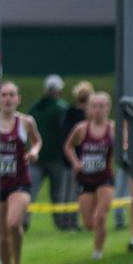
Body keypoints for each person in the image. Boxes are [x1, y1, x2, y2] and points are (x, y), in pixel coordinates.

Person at [0, 81, 42, 264]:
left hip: (19, 182)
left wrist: (34, 152)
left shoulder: (25, 122)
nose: (7, 99)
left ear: (18, 99)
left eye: (12, 95)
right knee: (2, 234)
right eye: (4, 95)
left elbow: (37, 141)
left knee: (13, 223)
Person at [64, 91, 116, 259]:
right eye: (94, 106)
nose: (98, 110)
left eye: (102, 106)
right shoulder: (81, 128)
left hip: (105, 178)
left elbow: (125, 146)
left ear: (108, 108)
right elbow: (68, 146)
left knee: (101, 216)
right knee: (88, 223)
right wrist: (75, 162)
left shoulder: (113, 128)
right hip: (85, 178)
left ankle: (97, 252)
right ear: (89, 108)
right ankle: (99, 235)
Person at [27, 74, 70, 231]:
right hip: (56, 158)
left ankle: (23, 220)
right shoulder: (62, 108)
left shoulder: (34, 107)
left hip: (36, 157)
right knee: (58, 194)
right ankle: (62, 223)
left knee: (29, 191)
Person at [60, 81, 94, 230]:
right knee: (76, 192)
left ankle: (73, 221)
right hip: (79, 158)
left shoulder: (75, 113)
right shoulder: (77, 114)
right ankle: (72, 222)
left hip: (82, 158)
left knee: (73, 192)